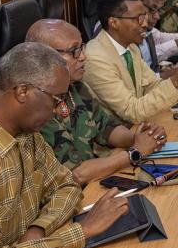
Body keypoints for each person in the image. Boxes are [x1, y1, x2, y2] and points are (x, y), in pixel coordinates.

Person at [0, 42, 129, 248]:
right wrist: (82, 231)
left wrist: (39, 229)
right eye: (56, 100)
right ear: (23, 92)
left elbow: (67, 186)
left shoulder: (25, 131)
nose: (59, 110)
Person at [25, 18, 166, 187]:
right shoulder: (38, 105)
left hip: (95, 182)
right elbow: (77, 174)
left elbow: (107, 128)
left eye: (81, 47)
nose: (83, 56)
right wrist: (135, 152)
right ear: (44, 58)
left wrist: (139, 138)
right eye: (74, 51)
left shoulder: (75, 86)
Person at [83, 0, 178, 123]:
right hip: (122, 131)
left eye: (145, 16)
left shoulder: (130, 47)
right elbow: (132, 111)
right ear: (114, 23)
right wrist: (175, 81)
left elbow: (151, 86)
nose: (145, 24)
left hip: (141, 125)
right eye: (138, 18)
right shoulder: (95, 59)